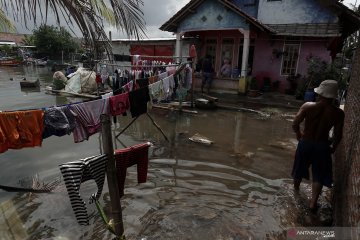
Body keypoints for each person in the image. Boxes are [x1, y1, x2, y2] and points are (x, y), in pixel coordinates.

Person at [291, 79, 344, 213]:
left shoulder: (308, 106)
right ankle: (313, 203)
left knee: (299, 169)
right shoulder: (338, 113)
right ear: (333, 96)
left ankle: (296, 193)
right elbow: (338, 135)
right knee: (319, 175)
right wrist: (333, 148)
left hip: (306, 143)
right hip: (322, 145)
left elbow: (295, 123)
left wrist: (298, 134)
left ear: (320, 94)